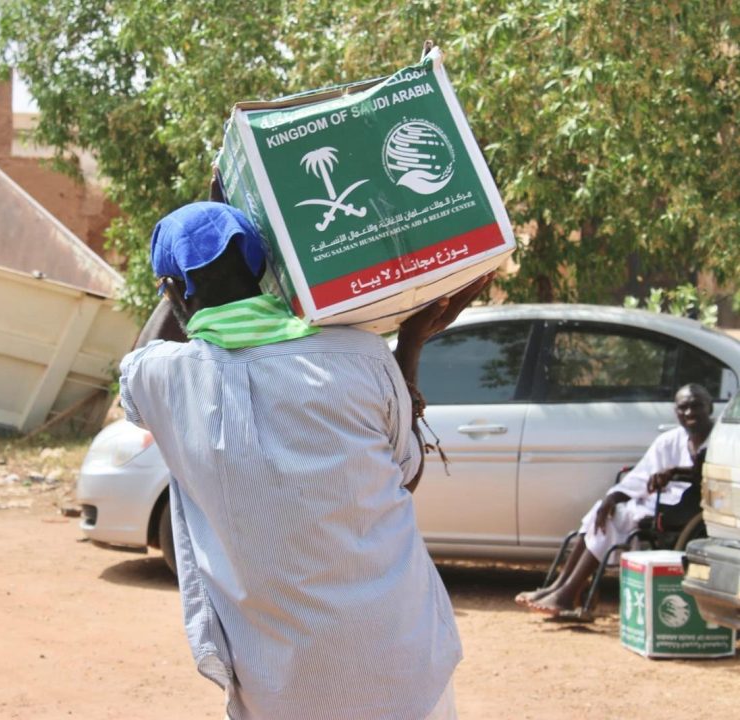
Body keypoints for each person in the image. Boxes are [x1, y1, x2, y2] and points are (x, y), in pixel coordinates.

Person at [119, 201, 493, 720]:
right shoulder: (360, 355)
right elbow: (405, 476)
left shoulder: (165, 379)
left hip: (283, 688)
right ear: (262, 268)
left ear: (175, 291)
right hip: (404, 662)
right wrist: (408, 346)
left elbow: (136, 361)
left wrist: (173, 287)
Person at [516, 383, 714, 617]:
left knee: (619, 517)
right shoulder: (669, 440)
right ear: (676, 412)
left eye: (696, 406)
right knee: (604, 510)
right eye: (683, 408)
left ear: (709, 407)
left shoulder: (722, 439)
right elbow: (641, 475)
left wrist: (675, 472)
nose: (690, 413)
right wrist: (611, 498)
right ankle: (559, 587)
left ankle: (569, 593)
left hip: (694, 505)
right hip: (658, 501)